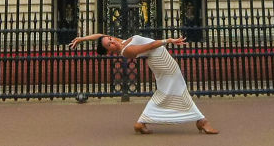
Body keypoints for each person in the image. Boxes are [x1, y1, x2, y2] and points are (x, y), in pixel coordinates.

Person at [69, 33, 219, 135]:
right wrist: (170, 41)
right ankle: (202, 121)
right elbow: (150, 46)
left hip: (160, 60)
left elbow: (99, 36)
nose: (112, 40)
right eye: (109, 43)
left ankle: (143, 122)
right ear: (109, 51)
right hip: (162, 62)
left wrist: (82, 39)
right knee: (178, 88)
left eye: (110, 38)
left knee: (169, 90)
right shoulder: (126, 51)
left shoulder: (119, 42)